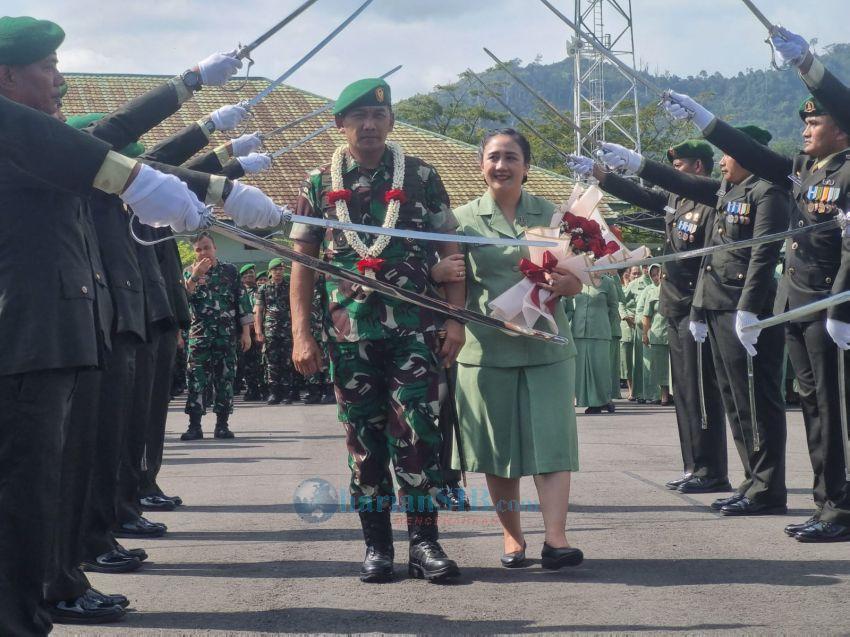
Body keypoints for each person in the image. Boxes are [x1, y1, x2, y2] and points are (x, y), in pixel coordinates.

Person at [0, 14, 232, 635]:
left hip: (55, 339)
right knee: (28, 490)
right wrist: (202, 134)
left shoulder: (30, 138)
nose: (58, 79)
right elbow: (118, 150)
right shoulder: (13, 136)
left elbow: (118, 145)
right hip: (27, 341)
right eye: (45, 68)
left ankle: (44, 592)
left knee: (50, 481)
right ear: (6, 75)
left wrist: (209, 157)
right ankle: (26, 610)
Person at [662, 26, 850, 541]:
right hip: (796, 302)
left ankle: (841, 507)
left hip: (831, 304)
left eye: (819, 120)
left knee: (835, 412)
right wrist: (706, 121)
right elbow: (756, 158)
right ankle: (826, 502)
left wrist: (808, 63)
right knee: (813, 407)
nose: (807, 130)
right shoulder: (806, 171)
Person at [289, 77, 465, 583]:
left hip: (415, 330)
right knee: (364, 441)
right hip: (349, 333)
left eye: (379, 116)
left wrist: (455, 318)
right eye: (359, 116)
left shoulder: (422, 177)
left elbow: (451, 251)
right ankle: (377, 547)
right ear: (340, 125)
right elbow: (303, 262)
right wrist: (302, 333)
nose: (369, 124)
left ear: (391, 123)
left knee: (420, 434)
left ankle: (425, 544)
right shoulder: (319, 184)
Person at [601, 125, 790, 517]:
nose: (723, 161)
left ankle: (765, 487)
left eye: (730, 154)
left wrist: (748, 308)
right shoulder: (728, 192)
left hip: (741, 308)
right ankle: (751, 482)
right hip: (712, 305)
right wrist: (617, 171)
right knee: (735, 402)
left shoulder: (768, 191)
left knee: (753, 401)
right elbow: (710, 253)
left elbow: (760, 254)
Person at [452, 128, 584, 570]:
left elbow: (579, 273)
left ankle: (556, 539)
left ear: (526, 166)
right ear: (481, 164)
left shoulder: (555, 214)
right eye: (493, 157)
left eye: (511, 157)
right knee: (498, 450)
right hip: (487, 351)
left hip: (546, 347)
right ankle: (512, 538)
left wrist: (572, 282)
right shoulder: (462, 220)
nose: (501, 165)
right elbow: (455, 281)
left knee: (553, 443)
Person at [569, 140, 728, 491]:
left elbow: (708, 261)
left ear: (698, 168)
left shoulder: (711, 201)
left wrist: (699, 308)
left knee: (701, 392)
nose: (674, 175)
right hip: (674, 305)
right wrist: (599, 175)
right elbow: (642, 197)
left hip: (695, 308)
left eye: (680, 167)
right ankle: (694, 466)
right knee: (685, 392)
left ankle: (712, 470)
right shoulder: (675, 200)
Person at [182, 232, 253, 440]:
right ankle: (194, 426)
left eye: (207, 247)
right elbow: (183, 299)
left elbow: (242, 302)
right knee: (195, 380)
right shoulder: (188, 273)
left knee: (225, 379)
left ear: (215, 248)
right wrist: (195, 276)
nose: (204, 252)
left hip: (226, 336)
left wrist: (246, 333)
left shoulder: (230, 271)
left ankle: (222, 424)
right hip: (199, 336)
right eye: (199, 249)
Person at [569, 274, 619, 414]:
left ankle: (602, 400)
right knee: (582, 369)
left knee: (599, 369)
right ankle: (590, 401)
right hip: (579, 331)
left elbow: (614, 307)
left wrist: (604, 322)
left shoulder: (608, 282)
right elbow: (570, 305)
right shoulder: (577, 280)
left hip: (600, 331)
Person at [255, 258, 295, 405]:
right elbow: (258, 311)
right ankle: (273, 393)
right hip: (270, 329)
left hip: (287, 329)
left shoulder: (289, 287)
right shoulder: (263, 288)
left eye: (280, 269)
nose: (278, 272)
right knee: (271, 362)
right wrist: (258, 330)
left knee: (286, 361)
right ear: (270, 271)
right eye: (275, 269)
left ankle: (287, 393)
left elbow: (295, 309)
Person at [641, 265, 671, 406]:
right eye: (653, 274)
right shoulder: (653, 292)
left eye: (659, 273)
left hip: (674, 332)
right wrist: (645, 334)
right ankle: (664, 395)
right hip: (658, 333)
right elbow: (646, 315)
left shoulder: (673, 289)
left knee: (675, 367)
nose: (657, 276)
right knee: (661, 367)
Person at [238, 263, 265, 401]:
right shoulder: (238, 291)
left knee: (261, 362)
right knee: (247, 363)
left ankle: (263, 389)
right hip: (244, 332)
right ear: (242, 277)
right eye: (246, 273)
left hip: (259, 331)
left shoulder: (261, 290)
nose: (249, 275)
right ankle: (252, 389)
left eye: (251, 272)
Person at [619, 268, 635, 399]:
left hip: (641, 324)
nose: (635, 276)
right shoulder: (624, 289)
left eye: (637, 273)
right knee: (628, 360)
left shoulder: (643, 286)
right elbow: (620, 303)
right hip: (627, 325)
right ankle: (631, 390)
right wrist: (625, 316)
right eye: (633, 273)